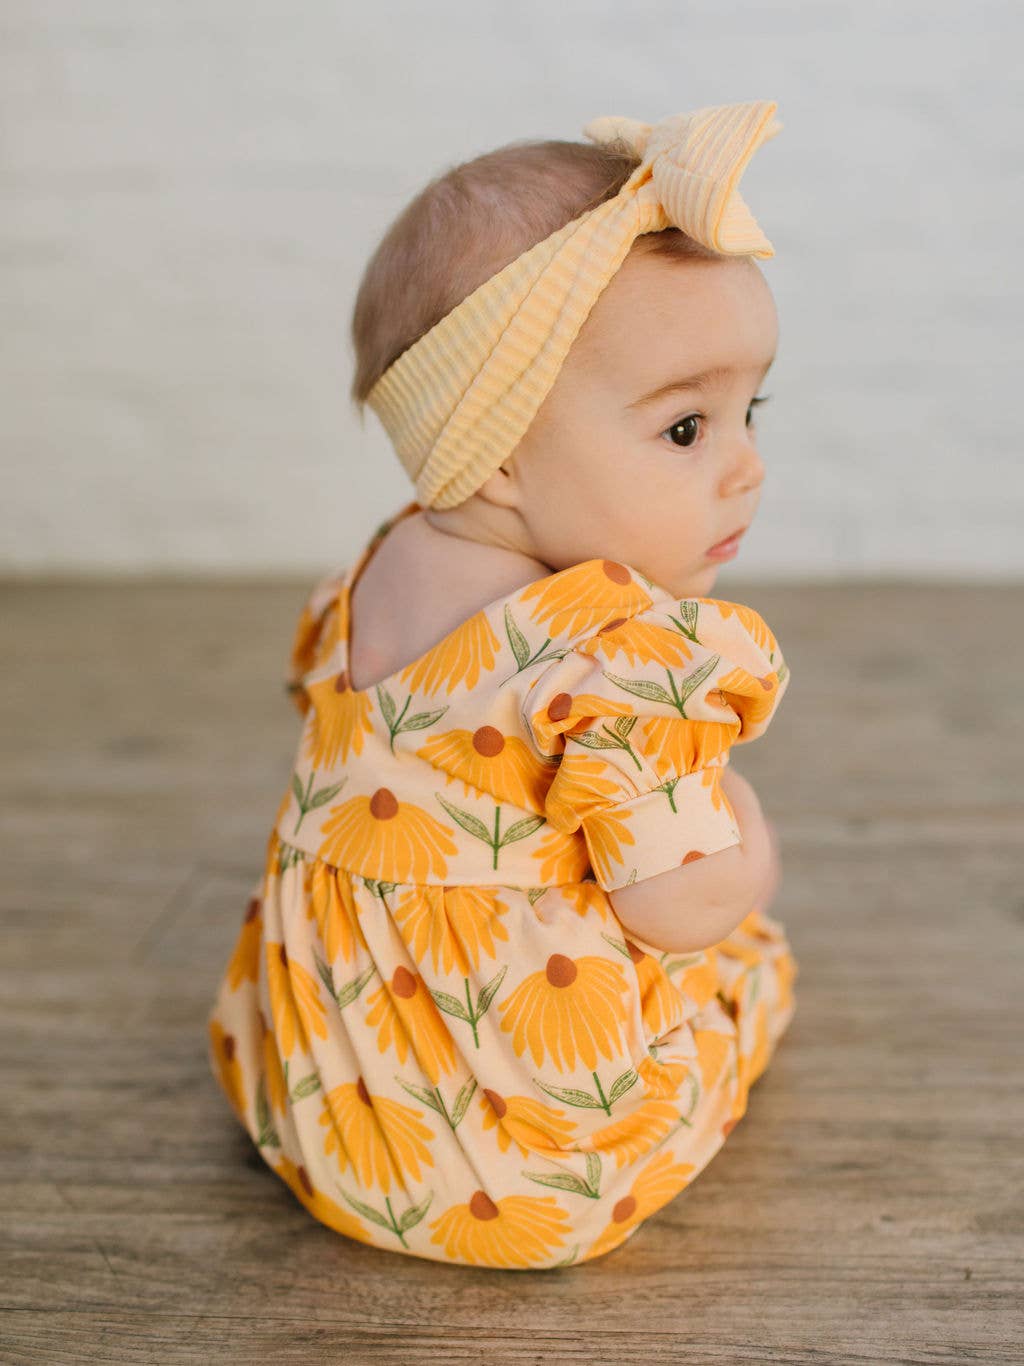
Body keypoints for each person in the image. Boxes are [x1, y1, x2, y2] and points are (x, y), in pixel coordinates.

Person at [207, 100, 799, 1270]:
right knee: (751, 963)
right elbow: (679, 905)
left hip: (330, 1103)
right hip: (529, 1165)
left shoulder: (364, 580)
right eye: (687, 428)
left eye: (751, 410)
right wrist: (745, 835)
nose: (747, 466)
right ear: (498, 455)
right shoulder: (618, 656)